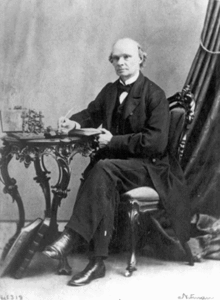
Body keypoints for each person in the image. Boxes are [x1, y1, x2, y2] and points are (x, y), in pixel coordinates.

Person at [43, 37, 190, 286]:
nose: (120, 62)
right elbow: (91, 113)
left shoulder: (154, 95)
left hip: (150, 168)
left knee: (102, 168)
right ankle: (97, 262)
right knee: (103, 173)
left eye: (126, 57)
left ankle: (71, 237)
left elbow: (155, 144)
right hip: (117, 168)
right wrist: (75, 122)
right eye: (115, 58)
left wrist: (113, 142)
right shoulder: (111, 90)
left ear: (140, 59)